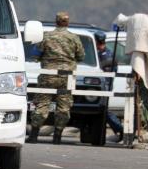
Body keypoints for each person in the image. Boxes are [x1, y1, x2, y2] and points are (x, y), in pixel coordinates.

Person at [28, 11, 85, 145]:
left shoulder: (46, 37)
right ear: (67, 22)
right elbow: (81, 56)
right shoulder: (74, 38)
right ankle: (57, 137)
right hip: (67, 77)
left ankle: (34, 136)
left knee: (42, 104)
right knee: (64, 106)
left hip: (48, 75)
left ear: (56, 21)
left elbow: (35, 56)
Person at [94, 31, 124, 142]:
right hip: (101, 86)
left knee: (103, 109)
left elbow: (107, 74)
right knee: (101, 110)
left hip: (104, 87)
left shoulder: (107, 55)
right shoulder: (100, 53)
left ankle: (119, 128)